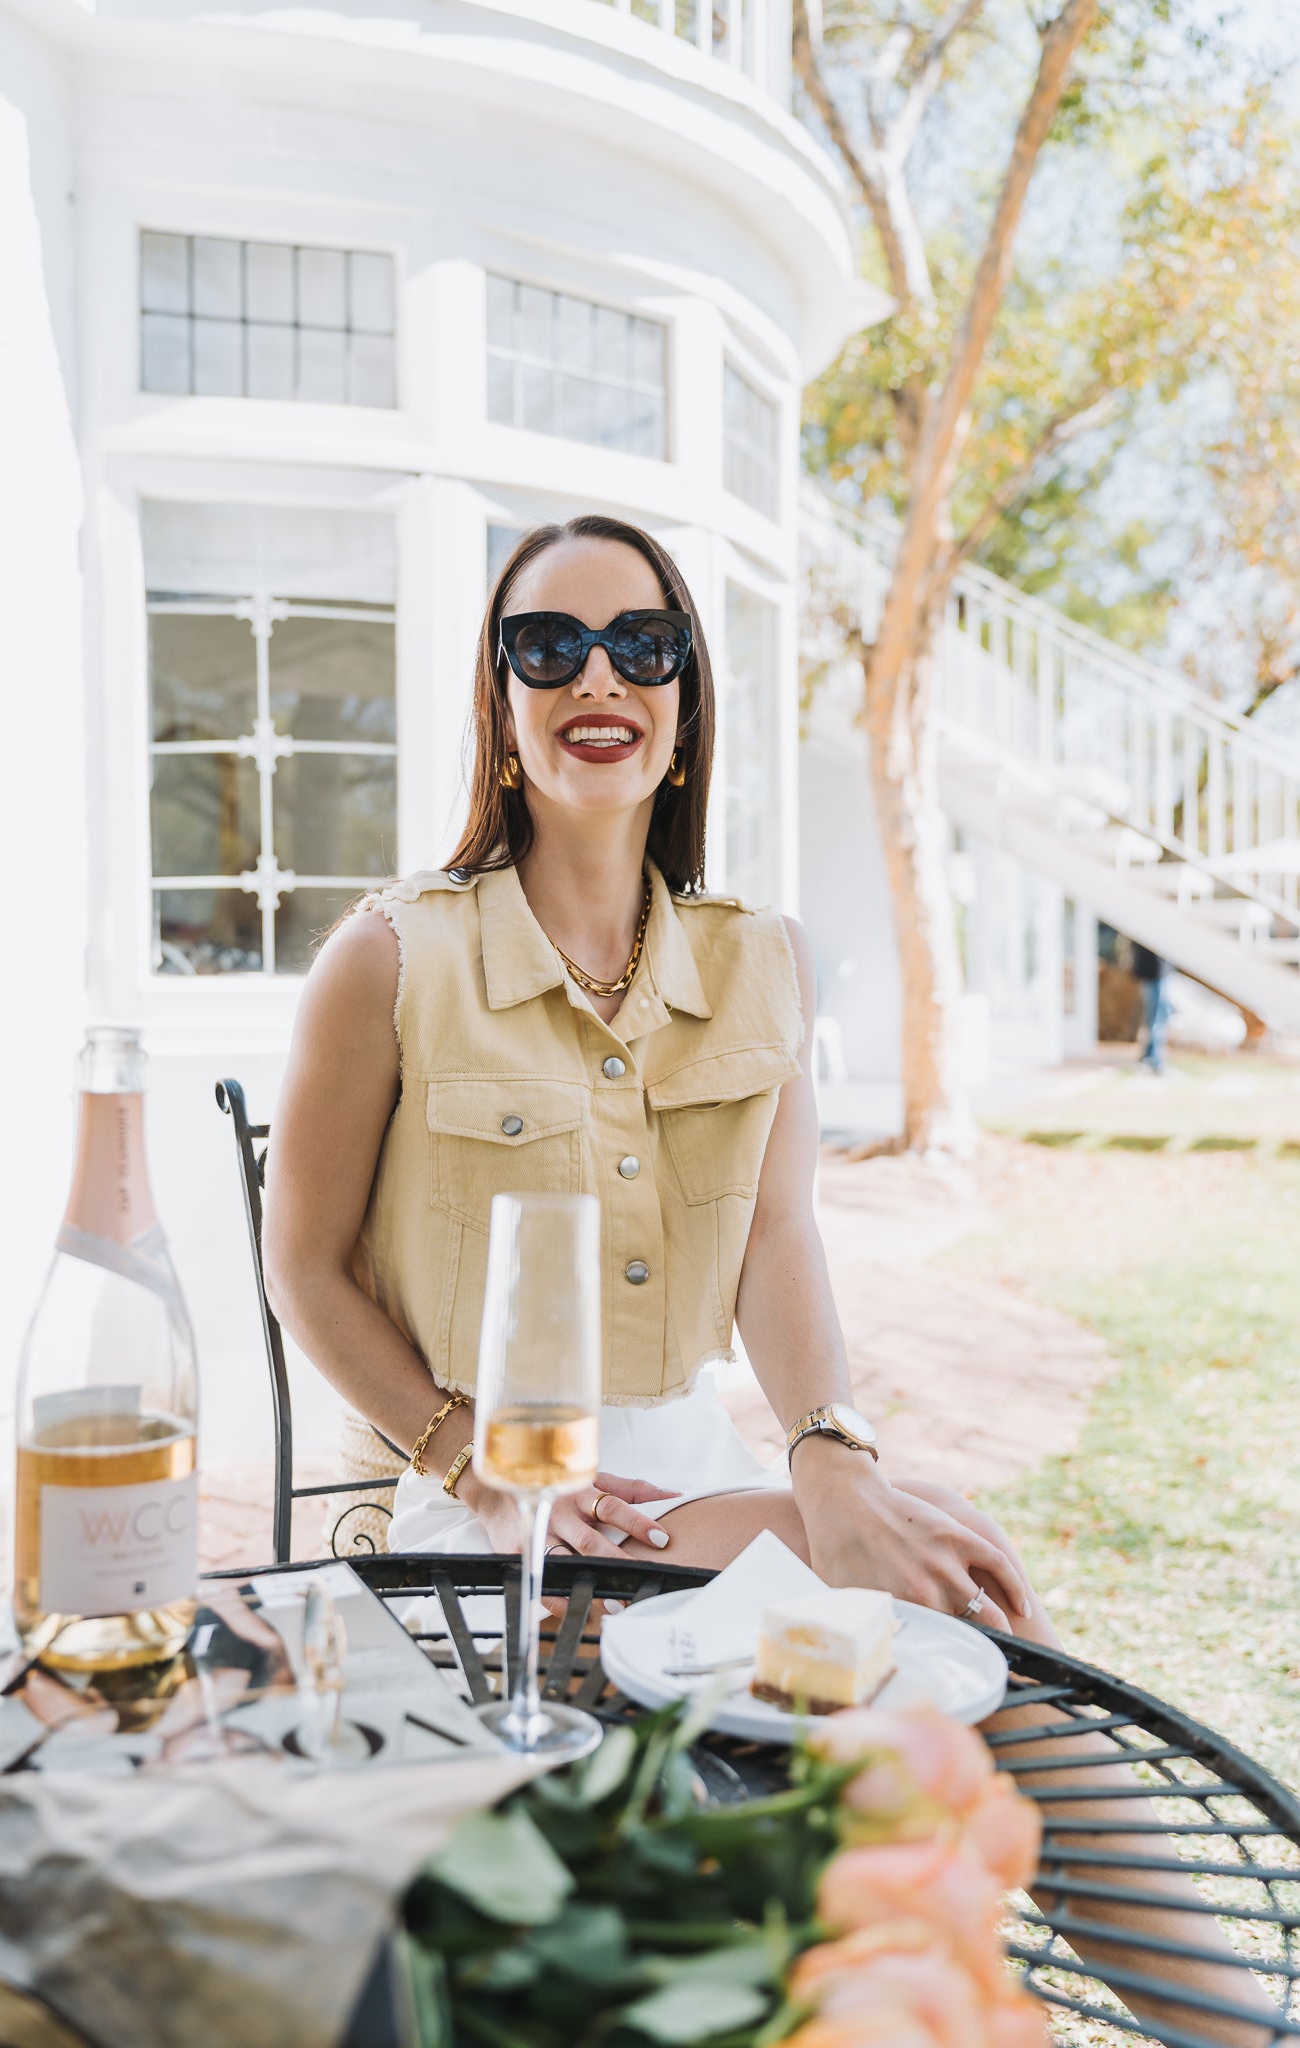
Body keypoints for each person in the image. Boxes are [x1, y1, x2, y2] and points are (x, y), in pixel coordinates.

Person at [262, 513, 1040, 1638]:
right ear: (502, 706)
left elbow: (777, 1233)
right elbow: (304, 1267)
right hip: (479, 1508)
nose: (597, 674)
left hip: (696, 1469)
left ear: (683, 709)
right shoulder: (387, 957)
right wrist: (478, 1462)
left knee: (960, 1553)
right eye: (547, 646)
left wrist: (827, 1454)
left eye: (643, 644)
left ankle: (1084, 1825)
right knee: (960, 1606)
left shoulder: (764, 958)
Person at [1129, 940, 1173, 1074]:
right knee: (1156, 1017)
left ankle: (1149, 1054)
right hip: (1154, 973)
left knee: (1156, 1016)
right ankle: (1153, 1058)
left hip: (1156, 972)